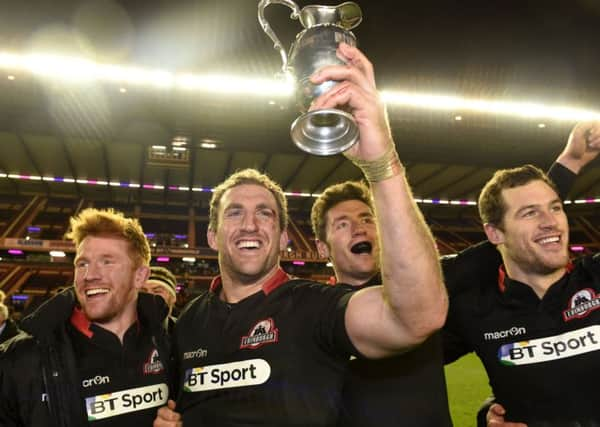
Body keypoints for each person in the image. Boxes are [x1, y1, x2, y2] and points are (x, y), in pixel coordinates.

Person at [154, 43, 447, 427]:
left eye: (265, 215)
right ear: (212, 235)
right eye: (235, 213)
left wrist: (381, 164)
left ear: (283, 238)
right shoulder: (190, 321)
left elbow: (417, 318)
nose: (249, 225)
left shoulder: (315, 307)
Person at [443, 146, 600, 426]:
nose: (551, 222)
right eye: (530, 213)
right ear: (494, 233)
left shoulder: (596, 277)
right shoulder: (474, 309)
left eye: (555, 207)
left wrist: (571, 160)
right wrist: (486, 417)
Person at [0, 208, 172, 427]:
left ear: (139, 276)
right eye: (82, 264)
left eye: (107, 262)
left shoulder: (172, 341)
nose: (89, 275)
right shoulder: (19, 360)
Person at [310, 180, 453, 427]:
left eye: (367, 219)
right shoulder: (314, 315)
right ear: (322, 247)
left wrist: (491, 408)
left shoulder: (427, 290)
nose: (359, 229)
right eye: (342, 224)